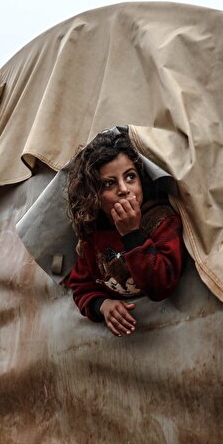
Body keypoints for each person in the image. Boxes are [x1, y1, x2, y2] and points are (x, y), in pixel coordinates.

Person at [64, 132, 186, 336]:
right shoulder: (92, 239)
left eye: (130, 177)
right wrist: (102, 305)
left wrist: (132, 235)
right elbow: (81, 285)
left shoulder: (163, 221)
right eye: (109, 183)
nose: (124, 189)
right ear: (93, 195)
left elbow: (162, 285)